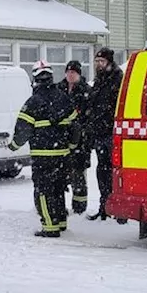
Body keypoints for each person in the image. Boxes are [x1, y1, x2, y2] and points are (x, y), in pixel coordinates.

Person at [7, 60, 75, 237]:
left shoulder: (32, 102)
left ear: (35, 79)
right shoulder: (64, 98)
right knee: (59, 189)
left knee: (44, 191)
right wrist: (72, 145)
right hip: (62, 155)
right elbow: (76, 127)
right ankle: (60, 222)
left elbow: (22, 131)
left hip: (43, 156)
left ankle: (49, 227)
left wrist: (13, 146)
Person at [85, 48, 147, 238]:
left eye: (102, 61)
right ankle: (104, 206)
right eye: (97, 61)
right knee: (102, 171)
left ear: (110, 62)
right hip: (99, 133)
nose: (98, 65)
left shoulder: (118, 80)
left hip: (113, 133)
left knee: (115, 172)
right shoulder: (98, 81)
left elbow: (115, 105)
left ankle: (120, 211)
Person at [60, 60, 92, 214]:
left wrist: (81, 129)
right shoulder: (59, 89)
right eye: (68, 72)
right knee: (60, 174)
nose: (70, 75)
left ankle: (79, 207)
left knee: (78, 174)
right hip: (61, 140)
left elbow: (89, 115)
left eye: (73, 72)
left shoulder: (86, 91)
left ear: (79, 74)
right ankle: (60, 205)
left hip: (81, 141)